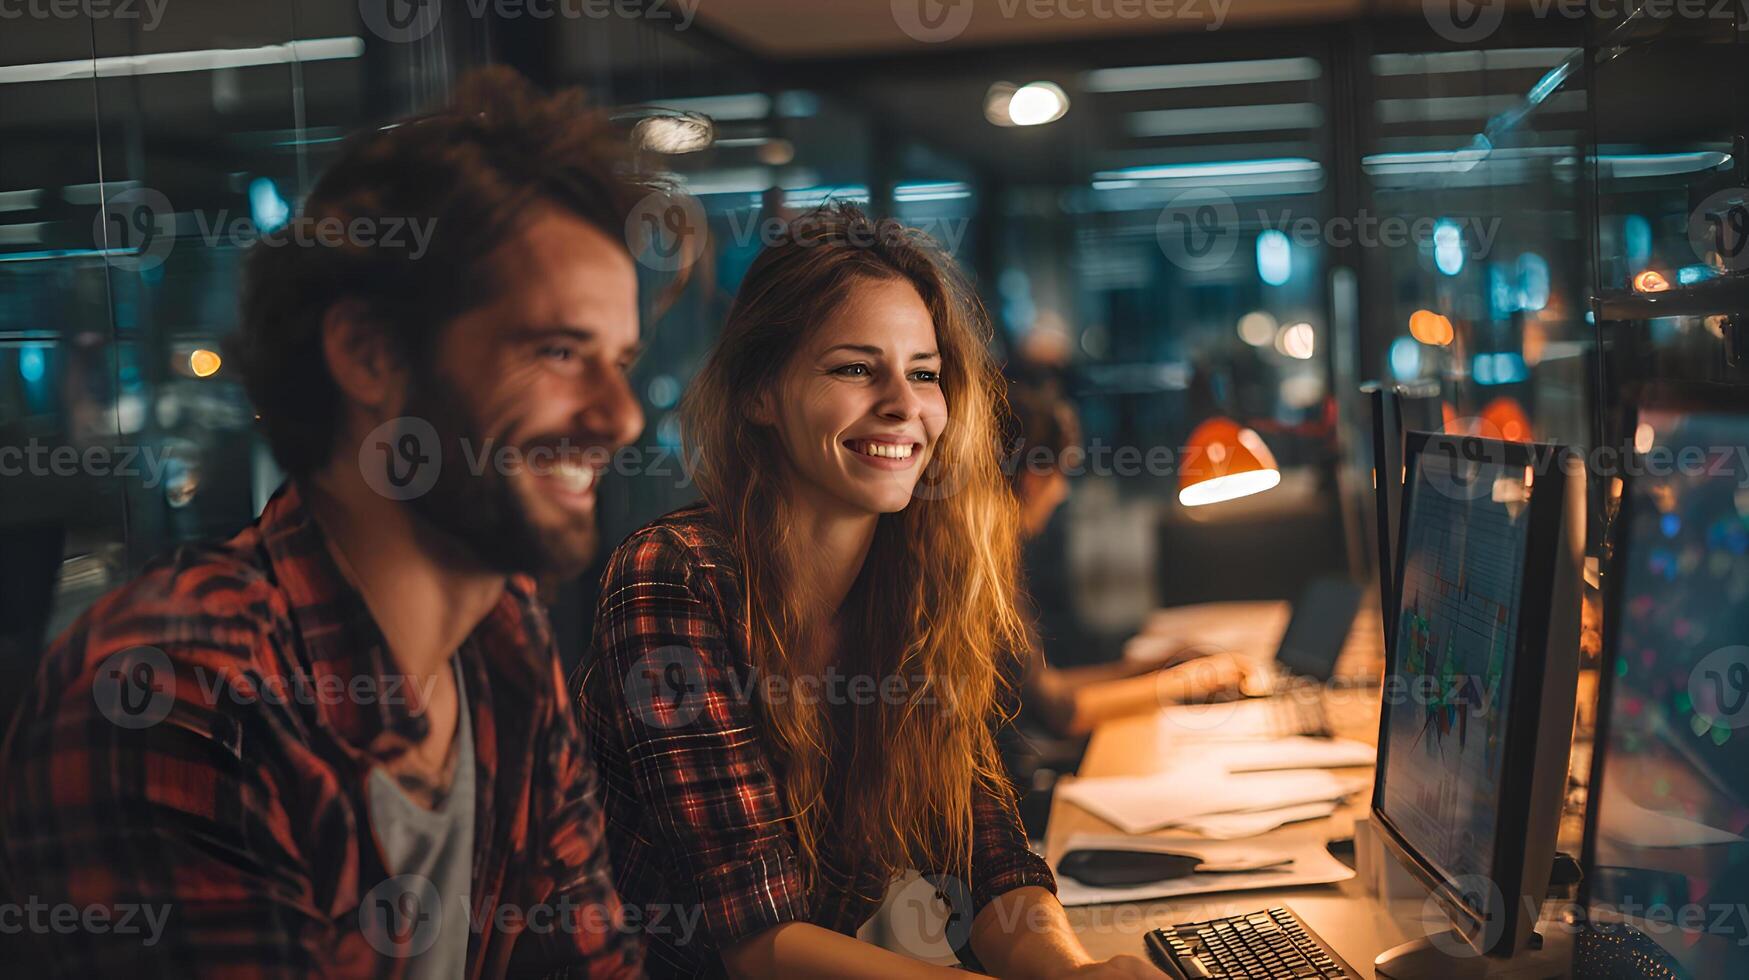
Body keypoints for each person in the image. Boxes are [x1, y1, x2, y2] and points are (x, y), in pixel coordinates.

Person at [0, 68, 646, 977]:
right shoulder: (180, 685)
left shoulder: (505, 638)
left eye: (619, 361)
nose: (622, 417)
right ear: (370, 354)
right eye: (558, 351)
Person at [576, 205, 1160, 978]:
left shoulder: (924, 581)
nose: (902, 404)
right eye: (855, 368)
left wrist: (1069, 969)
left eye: (923, 373)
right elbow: (758, 942)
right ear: (759, 393)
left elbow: (990, 862)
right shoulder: (673, 578)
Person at [1004, 382, 1253, 740]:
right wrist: (1187, 682)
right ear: (1033, 478)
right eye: (1061, 474)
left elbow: (1051, 688)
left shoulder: (990, 566)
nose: (1061, 493)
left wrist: (1155, 666)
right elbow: (1063, 713)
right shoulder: (984, 580)